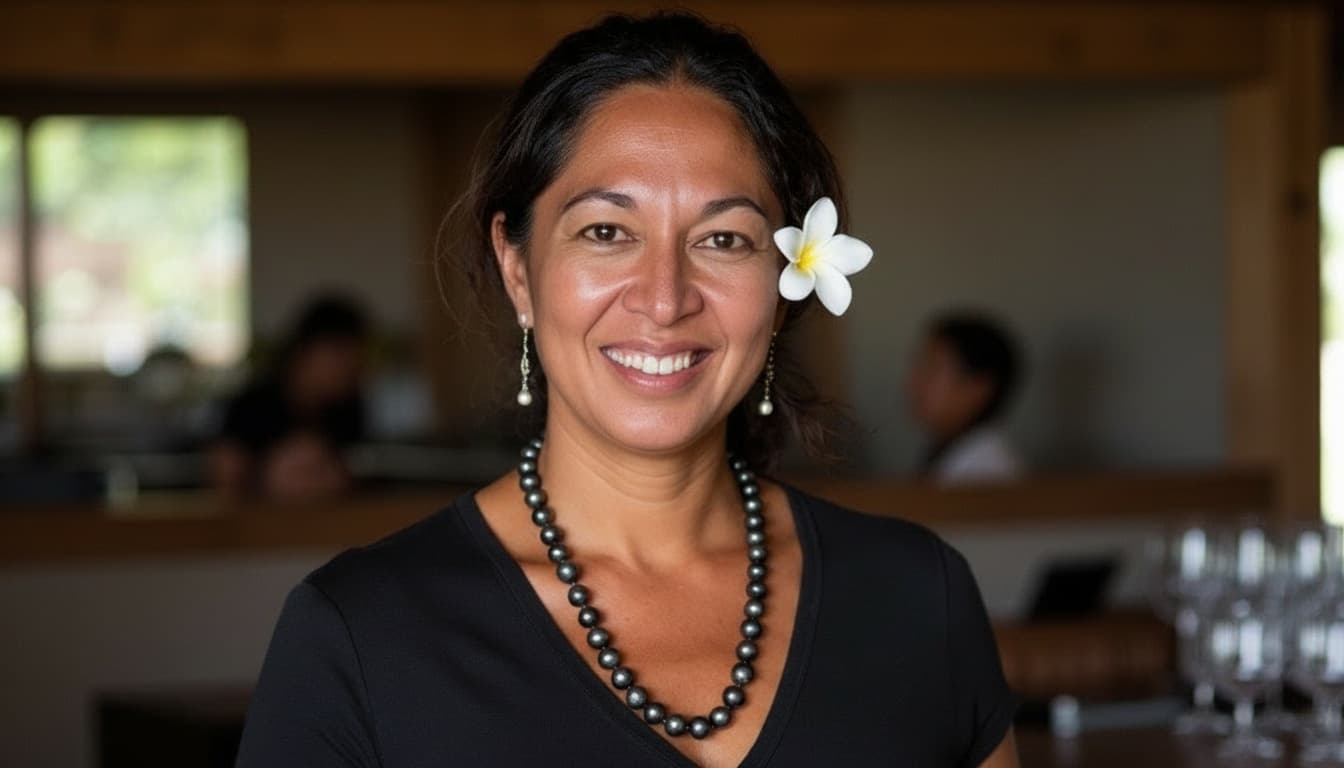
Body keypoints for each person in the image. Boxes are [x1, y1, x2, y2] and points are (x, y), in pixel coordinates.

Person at [237, 13, 1017, 767]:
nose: (665, 296)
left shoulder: (920, 595)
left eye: (724, 239)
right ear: (518, 269)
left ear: (781, 290)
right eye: (607, 232)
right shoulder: (360, 634)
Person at [209, 295, 369, 499]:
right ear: (303, 351)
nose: (350, 366)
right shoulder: (251, 406)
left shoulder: (350, 409)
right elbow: (224, 480)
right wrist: (266, 479)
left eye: (356, 355)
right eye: (339, 352)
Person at [908, 311, 1025, 484]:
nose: (914, 383)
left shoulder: (987, 471)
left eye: (931, 370)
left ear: (977, 387)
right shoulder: (951, 451)